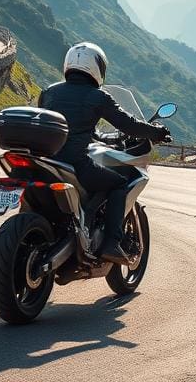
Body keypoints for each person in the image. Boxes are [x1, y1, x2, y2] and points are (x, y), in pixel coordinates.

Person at [39, 41, 169, 264]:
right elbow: (128, 125)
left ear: (69, 64)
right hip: (74, 163)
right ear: (97, 68)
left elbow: (66, 125)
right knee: (118, 184)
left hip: (44, 159)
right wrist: (156, 132)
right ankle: (111, 244)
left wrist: (94, 134)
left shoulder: (49, 92)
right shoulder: (97, 96)